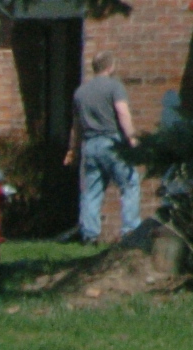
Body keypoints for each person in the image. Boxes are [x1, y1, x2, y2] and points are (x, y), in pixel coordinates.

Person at [67, 52, 140, 244]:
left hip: (90, 145)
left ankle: (89, 234)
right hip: (112, 142)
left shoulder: (80, 92)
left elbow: (76, 125)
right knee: (129, 184)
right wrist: (132, 138)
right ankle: (131, 230)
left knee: (91, 191)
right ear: (110, 66)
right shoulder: (114, 87)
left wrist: (73, 150)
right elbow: (122, 112)